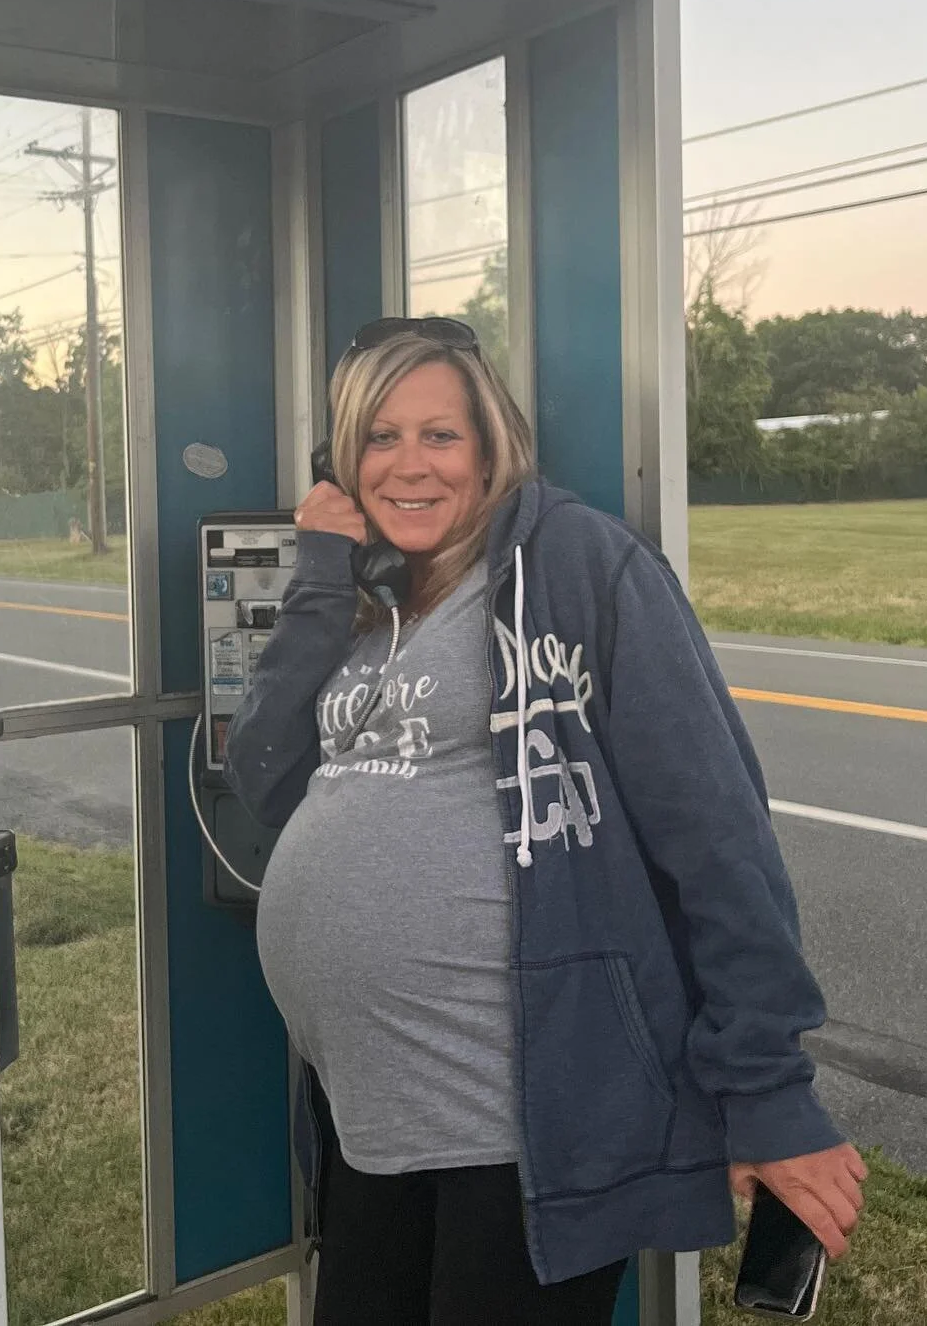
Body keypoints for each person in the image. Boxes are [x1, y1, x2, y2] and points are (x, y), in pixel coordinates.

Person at [225, 318, 866, 1326]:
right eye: (380, 437)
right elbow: (262, 773)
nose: (409, 464)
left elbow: (717, 835)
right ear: (341, 462)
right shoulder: (364, 600)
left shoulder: (579, 565)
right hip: (370, 1117)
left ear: (491, 449)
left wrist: (768, 1085)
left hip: (517, 1128)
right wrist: (318, 573)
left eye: (440, 435)